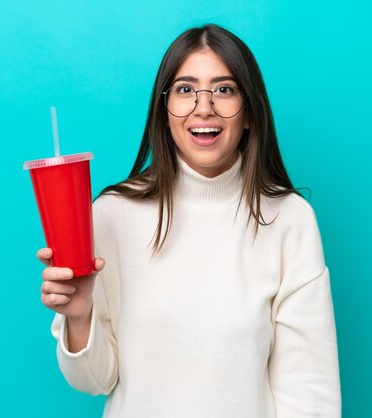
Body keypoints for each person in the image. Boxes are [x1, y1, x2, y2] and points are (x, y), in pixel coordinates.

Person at [37, 24, 341, 417]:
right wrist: (79, 318)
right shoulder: (111, 215)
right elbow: (95, 380)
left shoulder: (289, 220)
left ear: (250, 112)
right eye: (184, 90)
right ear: (163, 112)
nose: (204, 107)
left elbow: (310, 392)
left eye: (224, 89)